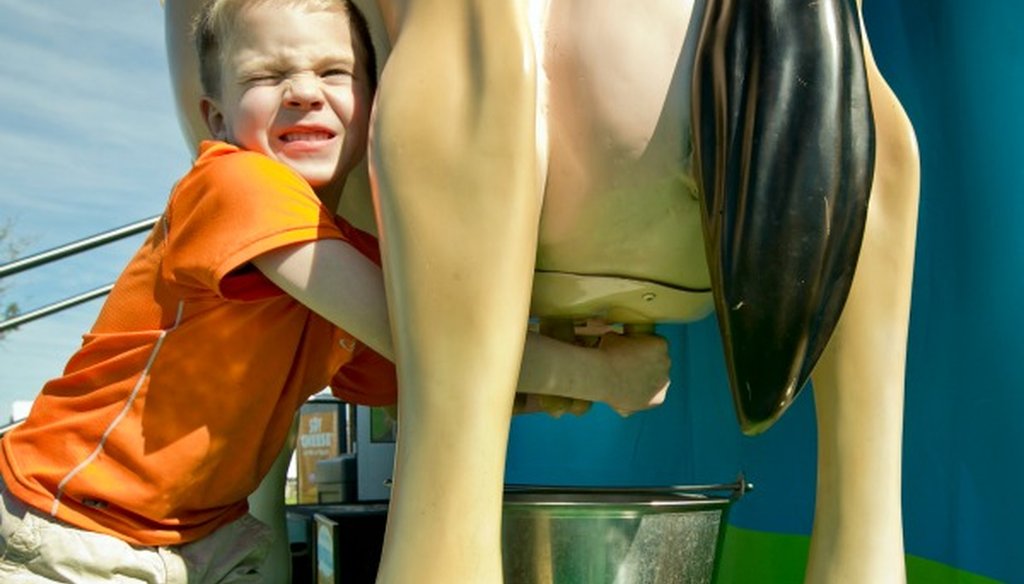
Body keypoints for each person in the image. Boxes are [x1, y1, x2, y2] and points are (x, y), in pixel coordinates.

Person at [0, 0, 671, 581]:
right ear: (216, 117)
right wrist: (601, 377)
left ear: (379, 104)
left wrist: (553, 384)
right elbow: (443, 353)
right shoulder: (234, 187)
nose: (302, 91)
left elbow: (441, 388)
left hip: (198, 534)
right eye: (265, 76)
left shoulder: (348, 262)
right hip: (72, 527)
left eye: (333, 73)